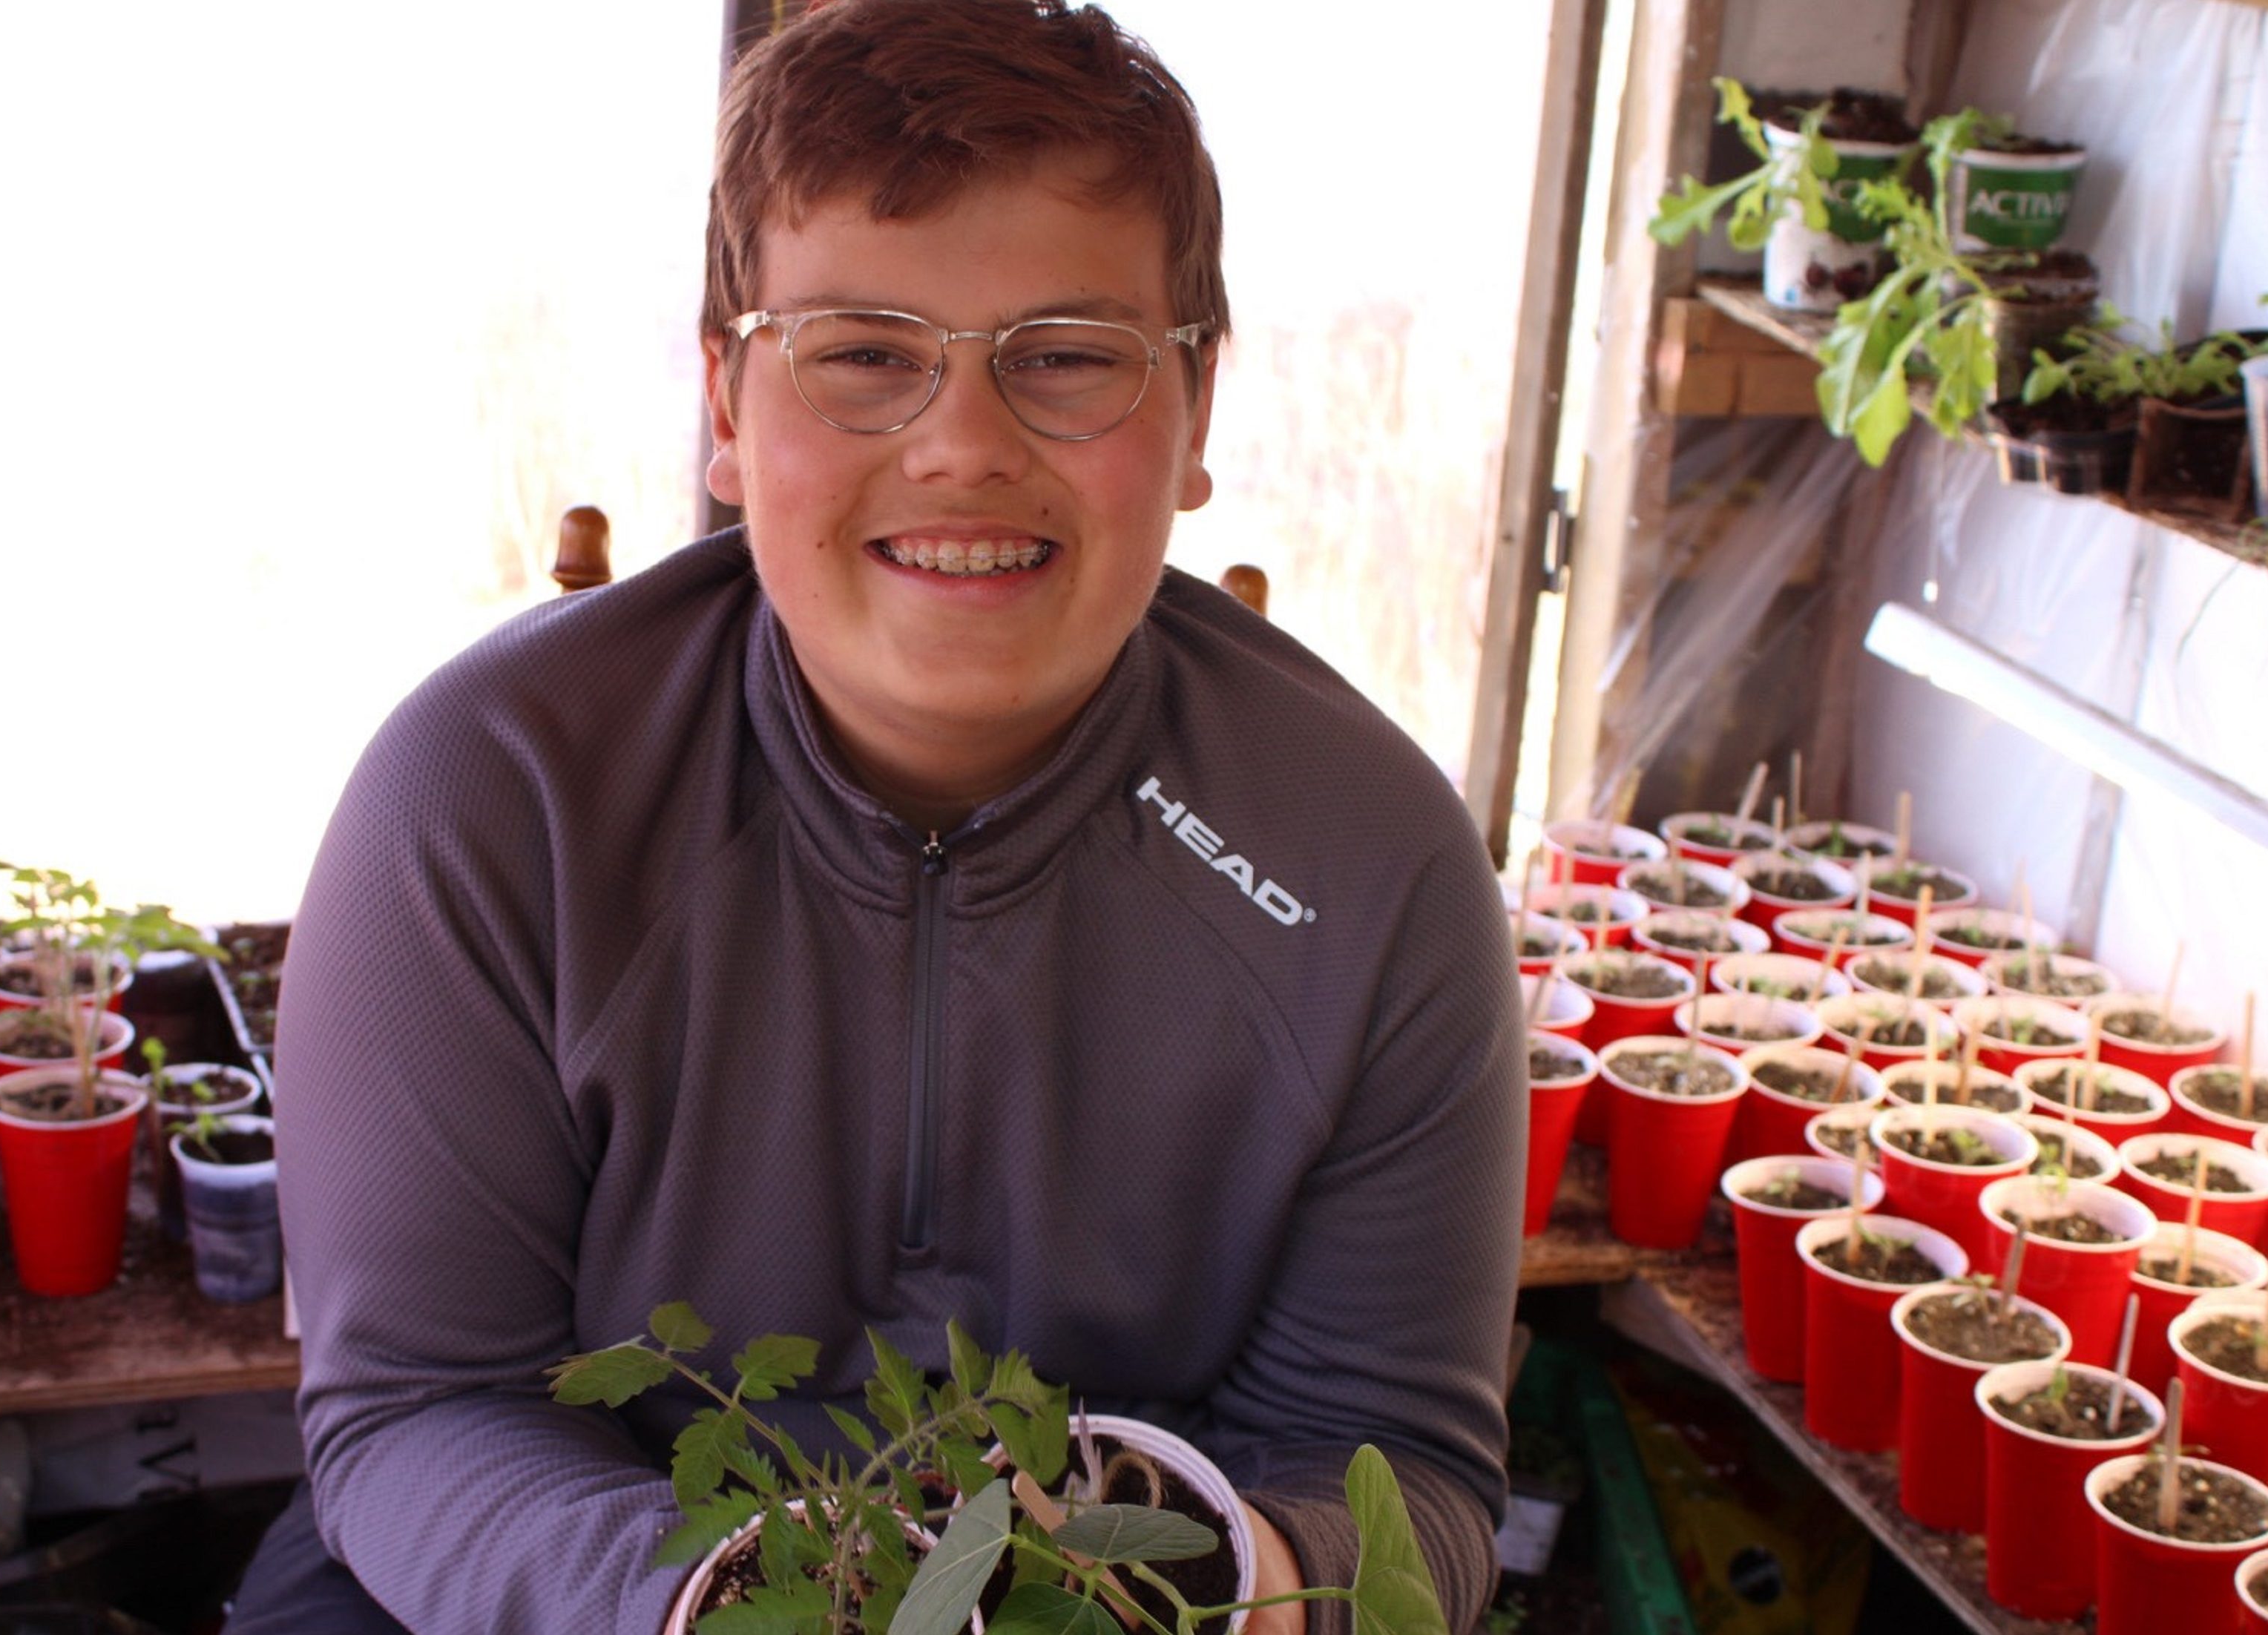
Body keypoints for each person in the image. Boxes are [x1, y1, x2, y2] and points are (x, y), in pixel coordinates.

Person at [233, 2, 1525, 1630]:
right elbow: (417, 1406)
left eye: (1065, 357)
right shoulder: (491, 798)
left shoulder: (1374, 863)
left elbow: (1396, 1459)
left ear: (1193, 407)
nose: (963, 447)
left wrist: (1203, 1567)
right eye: (859, 354)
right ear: (724, 401)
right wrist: (732, 1604)